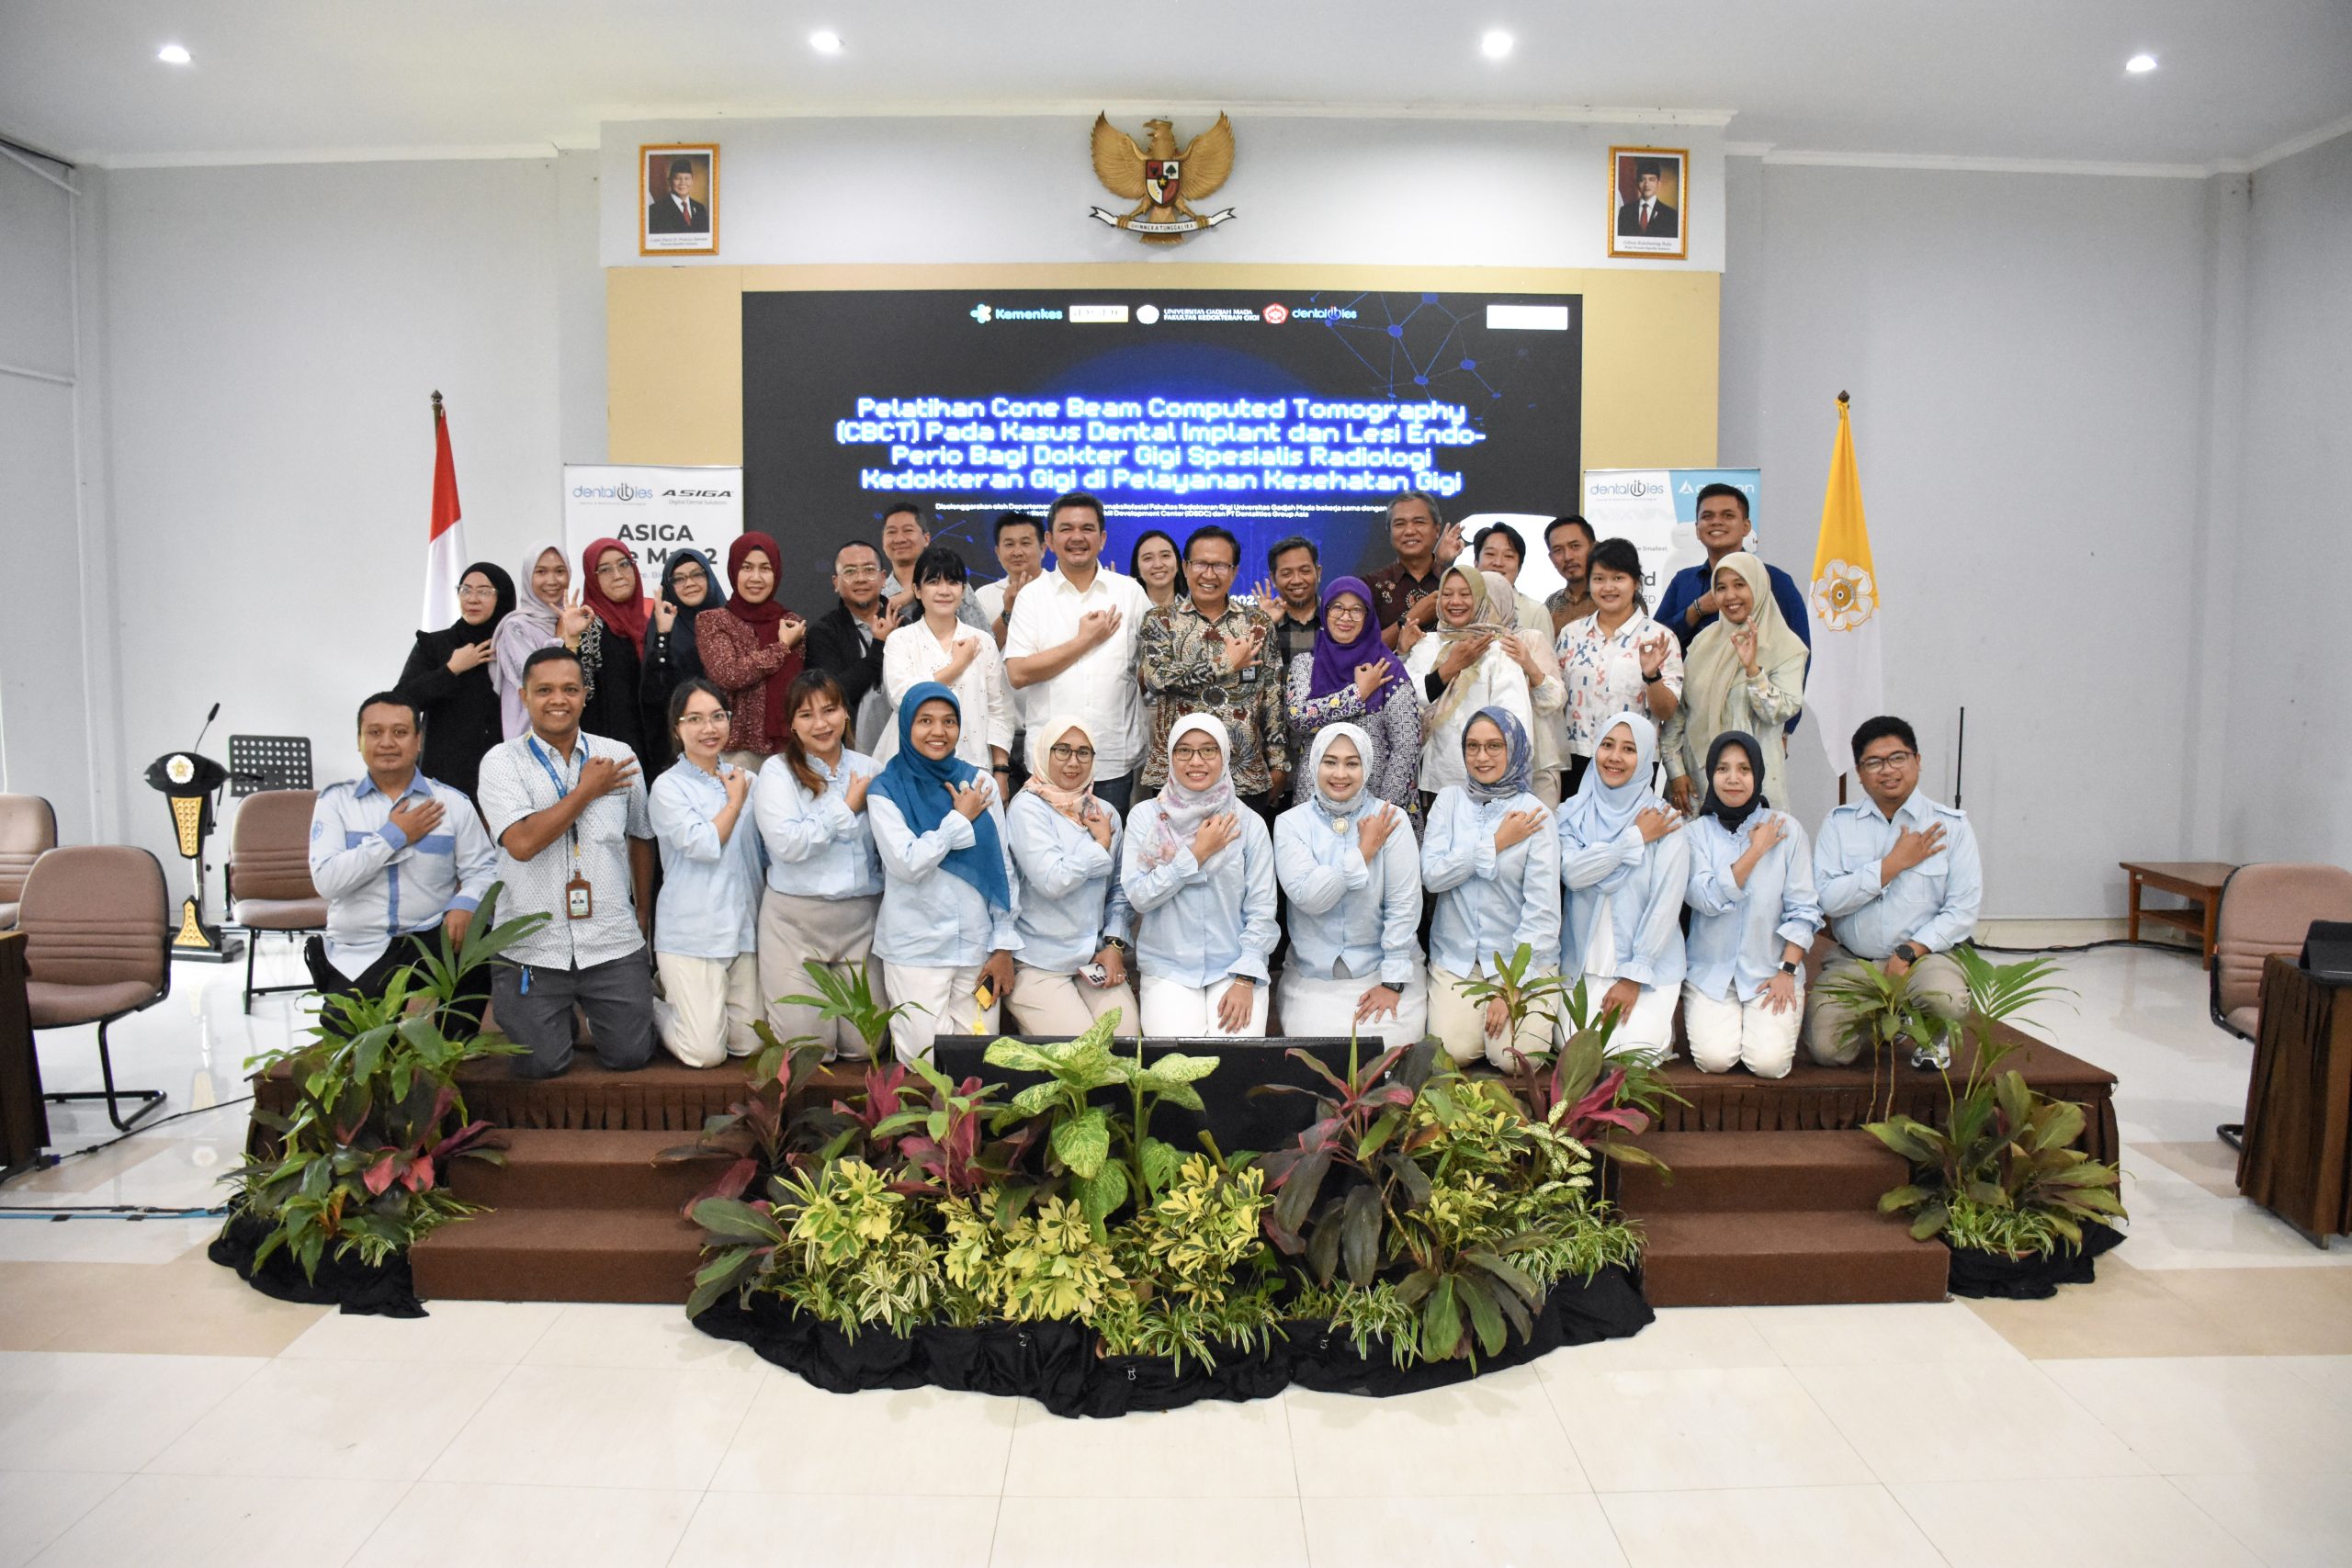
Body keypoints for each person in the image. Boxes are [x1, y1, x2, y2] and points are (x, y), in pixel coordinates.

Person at [474, 647, 657, 1080]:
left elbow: (641, 834)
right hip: (530, 946)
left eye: (570, 689)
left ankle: (593, 1012)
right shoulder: (501, 761)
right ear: (524, 696)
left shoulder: (618, 755)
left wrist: (642, 911)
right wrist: (587, 790)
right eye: (545, 690)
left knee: (630, 1055)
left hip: (611, 937)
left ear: (585, 695)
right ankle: (558, 1020)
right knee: (541, 1064)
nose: (558, 699)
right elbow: (522, 843)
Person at [306, 692, 496, 1032]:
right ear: (359, 740)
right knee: (353, 1038)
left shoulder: (451, 803)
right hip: (360, 947)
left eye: (400, 732)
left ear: (418, 740)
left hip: (431, 937)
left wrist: (465, 904)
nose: (387, 743)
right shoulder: (336, 802)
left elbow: (484, 869)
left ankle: (457, 1039)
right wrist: (394, 836)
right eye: (375, 732)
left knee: (478, 929)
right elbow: (327, 881)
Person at [1806, 716, 1983, 1068]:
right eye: (1874, 762)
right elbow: (1827, 900)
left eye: (1898, 758)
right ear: (1860, 773)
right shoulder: (1839, 824)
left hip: (1923, 960)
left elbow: (1961, 910)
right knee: (1827, 1050)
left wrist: (1907, 953)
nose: (1887, 770)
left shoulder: (1951, 826)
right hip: (1855, 962)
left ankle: (1932, 1032)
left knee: (1947, 1000)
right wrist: (1891, 866)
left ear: (1917, 760)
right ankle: (1885, 1020)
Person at [867, 682, 1020, 1061]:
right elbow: (907, 863)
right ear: (906, 725)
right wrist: (958, 820)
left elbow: (1002, 866)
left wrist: (1003, 945)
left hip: (976, 947)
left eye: (949, 721)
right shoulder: (885, 790)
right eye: (925, 721)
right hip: (916, 950)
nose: (939, 731)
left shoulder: (979, 782)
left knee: (979, 1060)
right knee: (924, 1059)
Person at [752, 671, 884, 1060]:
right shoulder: (777, 771)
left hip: (861, 923)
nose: (821, 723)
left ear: (846, 713)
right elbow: (788, 844)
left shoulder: (871, 769)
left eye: (829, 710)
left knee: (867, 1045)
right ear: (792, 723)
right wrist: (847, 808)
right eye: (807, 715)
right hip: (794, 926)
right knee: (810, 1051)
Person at [1123, 714, 1277, 1037]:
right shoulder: (1146, 818)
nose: (1196, 761)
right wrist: (1195, 855)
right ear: (1170, 756)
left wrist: (1245, 978)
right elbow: (1139, 896)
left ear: (1225, 755)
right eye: (1184, 751)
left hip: (1234, 966)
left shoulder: (1247, 823)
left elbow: (1261, 910)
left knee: (1235, 1057)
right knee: (1178, 1060)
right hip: (1169, 968)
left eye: (1209, 750)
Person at [1421, 709, 1560, 1066]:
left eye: (1494, 746)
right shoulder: (1449, 802)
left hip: (1518, 961)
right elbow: (1433, 875)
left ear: (1514, 748)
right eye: (1473, 746)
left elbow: (1542, 912)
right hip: (1458, 959)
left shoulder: (1536, 815)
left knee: (1514, 1059)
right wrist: (1495, 844)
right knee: (1453, 1052)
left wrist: (1512, 984)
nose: (1482, 757)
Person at [1274, 725, 1426, 1046]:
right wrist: (1363, 852)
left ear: (1366, 767)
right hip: (1314, 974)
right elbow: (1309, 897)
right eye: (1330, 762)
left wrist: (1393, 982)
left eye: (1352, 763)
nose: (1340, 774)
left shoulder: (1391, 820)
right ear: (1314, 763)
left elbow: (1403, 906)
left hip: (1383, 968)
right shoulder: (1292, 824)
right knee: (1320, 1054)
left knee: (1387, 1050)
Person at [1682, 732, 1822, 1078]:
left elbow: (1804, 911)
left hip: (1770, 972)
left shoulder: (1787, 830)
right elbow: (1705, 899)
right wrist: (1756, 851)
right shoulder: (1694, 834)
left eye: (1744, 769)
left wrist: (1787, 971)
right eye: (1723, 769)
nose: (1733, 778)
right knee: (1715, 1059)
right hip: (1711, 974)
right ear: (1710, 774)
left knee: (1769, 1064)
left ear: (1758, 774)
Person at [1555, 711, 1690, 1065]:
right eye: (1608, 745)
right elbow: (1573, 873)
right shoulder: (1571, 813)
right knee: (1575, 1053)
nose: (1615, 757)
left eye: (1629, 749)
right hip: (1582, 965)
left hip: (1646, 968)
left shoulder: (1665, 820)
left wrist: (1633, 977)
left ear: (1645, 758)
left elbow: (1665, 905)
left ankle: (1659, 1028)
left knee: (1627, 1055)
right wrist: (1633, 840)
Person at [1006, 493, 1153, 815]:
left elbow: (1152, 667)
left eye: (1087, 528)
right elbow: (1017, 673)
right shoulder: (1032, 597)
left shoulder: (1129, 592)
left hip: (1111, 758)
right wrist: (1084, 641)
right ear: (1049, 540)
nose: (1077, 537)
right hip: (1050, 762)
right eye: (1066, 528)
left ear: (1102, 538)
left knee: (1109, 845)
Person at [647, 680, 763, 1069]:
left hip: (743, 928)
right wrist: (734, 802)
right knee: (704, 1052)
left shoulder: (749, 780)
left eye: (717, 717)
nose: (708, 728)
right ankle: (647, 1004)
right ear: (676, 729)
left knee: (750, 1043)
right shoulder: (668, 787)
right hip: (692, 934)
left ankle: (695, 1007)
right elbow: (704, 844)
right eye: (694, 719)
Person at [1137, 525, 1291, 815]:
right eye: (1200, 564)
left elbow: (1272, 695)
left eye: (1220, 565)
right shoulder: (1160, 620)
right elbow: (1156, 679)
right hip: (1176, 775)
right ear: (1186, 567)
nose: (1209, 574)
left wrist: (1279, 762)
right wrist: (1225, 664)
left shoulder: (1257, 623)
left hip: (1244, 774)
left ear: (1234, 572)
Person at [1004, 715, 1137, 1038]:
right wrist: (1100, 845)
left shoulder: (1105, 812)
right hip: (1038, 962)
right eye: (1062, 750)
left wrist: (1114, 945)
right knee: (1080, 1051)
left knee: (1126, 1039)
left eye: (1083, 752)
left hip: (1092, 957)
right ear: (1043, 752)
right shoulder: (1027, 808)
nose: (1073, 762)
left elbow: (1120, 890)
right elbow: (1053, 880)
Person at [1662, 551, 1809, 814]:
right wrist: (1675, 772)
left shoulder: (1786, 647)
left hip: (1755, 782)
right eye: (1721, 588)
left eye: (1740, 585)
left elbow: (1780, 711)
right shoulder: (1703, 642)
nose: (1730, 596)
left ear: (1758, 586)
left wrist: (1753, 671)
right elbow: (1680, 713)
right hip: (1697, 781)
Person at [1406, 566, 1563, 799]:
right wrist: (1447, 668)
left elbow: (1514, 720)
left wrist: (1502, 782)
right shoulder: (1426, 644)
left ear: (1481, 598)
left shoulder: (1499, 650)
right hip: (1427, 780)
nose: (1455, 601)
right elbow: (1407, 695)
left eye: (1465, 594)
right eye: (1447, 594)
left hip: (1482, 782)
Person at [1284, 576, 1422, 829]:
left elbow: (1406, 746)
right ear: (1325, 612)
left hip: (1376, 801)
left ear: (1368, 616)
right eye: (1337, 608)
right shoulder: (1305, 664)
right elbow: (1298, 718)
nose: (1345, 617)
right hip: (1315, 802)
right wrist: (1358, 694)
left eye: (1356, 610)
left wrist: (1383, 810)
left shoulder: (1386, 668)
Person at [875, 545, 1017, 788]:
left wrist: (1001, 771)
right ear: (917, 590)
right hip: (913, 769)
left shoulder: (982, 642)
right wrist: (958, 665)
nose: (944, 590)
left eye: (953, 582)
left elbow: (999, 710)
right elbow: (902, 697)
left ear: (963, 589)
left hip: (973, 767)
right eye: (933, 582)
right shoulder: (900, 639)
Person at [1555, 537, 1682, 796]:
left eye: (1618, 578)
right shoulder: (1571, 634)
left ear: (1636, 583)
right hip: (1576, 757)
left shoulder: (1660, 638)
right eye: (1599, 578)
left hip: (1632, 761)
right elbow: (1556, 698)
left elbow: (1667, 711)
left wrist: (1652, 676)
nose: (1608, 587)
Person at [394, 561, 514, 801]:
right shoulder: (434, 645)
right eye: (465, 590)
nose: (472, 599)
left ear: (502, 597)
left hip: (501, 777)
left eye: (484, 592)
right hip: (444, 778)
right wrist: (451, 669)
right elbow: (401, 702)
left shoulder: (513, 646)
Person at [1474, 524, 1573, 807]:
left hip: (1535, 752)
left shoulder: (1534, 615)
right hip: (1481, 754)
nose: (1498, 562)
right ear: (1475, 562)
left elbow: (1554, 696)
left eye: (1509, 556)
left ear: (1519, 566)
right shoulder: (1460, 619)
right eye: (1490, 554)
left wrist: (1528, 664)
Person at [695, 530, 808, 767]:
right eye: (746, 567)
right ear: (734, 570)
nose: (756, 577)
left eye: (765, 568)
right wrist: (781, 647)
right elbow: (728, 674)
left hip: (791, 749)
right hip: (735, 752)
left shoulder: (791, 623)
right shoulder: (713, 620)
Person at [1655, 484, 1811, 656]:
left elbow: (1799, 654)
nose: (1716, 522)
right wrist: (1697, 609)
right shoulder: (1683, 581)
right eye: (1707, 516)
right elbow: (1654, 643)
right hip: (1688, 674)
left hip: (1755, 674)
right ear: (1697, 530)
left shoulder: (1774, 580)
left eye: (1728, 515)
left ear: (1746, 527)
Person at [576, 537, 678, 779]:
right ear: (592, 578)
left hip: (652, 750)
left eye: (624, 564)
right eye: (605, 569)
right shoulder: (589, 625)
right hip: (609, 760)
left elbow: (658, 691)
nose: (618, 575)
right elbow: (582, 693)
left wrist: (662, 636)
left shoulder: (648, 625)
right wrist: (570, 641)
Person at [801, 539, 896, 753]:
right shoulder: (824, 632)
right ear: (836, 582)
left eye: (869, 570)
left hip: (903, 751)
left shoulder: (905, 626)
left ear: (883, 578)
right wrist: (879, 646)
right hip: (848, 754)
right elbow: (831, 695)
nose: (861, 578)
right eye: (850, 571)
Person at [492, 540, 593, 739]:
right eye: (541, 572)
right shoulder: (516, 627)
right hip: (528, 739)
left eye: (559, 571)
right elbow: (538, 678)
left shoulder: (580, 621)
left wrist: (572, 634)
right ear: (528, 576)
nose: (552, 580)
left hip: (570, 736)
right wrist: (562, 638)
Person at [1370, 491, 1464, 649]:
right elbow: (1362, 652)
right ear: (1389, 532)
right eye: (1399, 524)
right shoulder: (1370, 587)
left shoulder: (1459, 583)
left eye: (1419, 522)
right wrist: (1414, 616)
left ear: (1437, 530)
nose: (1409, 531)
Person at [878, 499, 988, 633]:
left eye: (908, 530)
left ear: (926, 539)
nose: (899, 539)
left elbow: (983, 637)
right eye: (891, 532)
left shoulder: (954, 584)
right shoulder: (878, 593)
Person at [973, 511, 1046, 649]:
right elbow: (979, 652)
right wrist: (1008, 611)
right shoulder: (983, 595)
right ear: (998, 553)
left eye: (1025, 543)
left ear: (1043, 549)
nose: (1017, 552)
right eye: (1009, 544)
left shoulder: (1058, 587)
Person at [659, 547, 727, 682]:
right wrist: (662, 636)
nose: (689, 584)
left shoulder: (733, 619)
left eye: (697, 575)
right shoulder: (661, 629)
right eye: (679, 579)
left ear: (709, 577)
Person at [1256, 535, 1323, 666]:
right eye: (1287, 574)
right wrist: (1263, 625)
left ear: (1318, 572)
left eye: (1305, 571)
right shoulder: (1260, 623)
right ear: (1273, 579)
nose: (1297, 580)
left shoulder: (1337, 619)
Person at [1544, 515, 1597, 637]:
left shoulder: (1613, 596)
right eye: (1558, 550)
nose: (1568, 557)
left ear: (1594, 548)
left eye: (1575, 546)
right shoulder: (1552, 603)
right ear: (1551, 559)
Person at [647, 157, 708, 233]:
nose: (682, 183)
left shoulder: (700, 209)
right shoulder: (656, 210)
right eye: (678, 178)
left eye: (687, 178)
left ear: (692, 181)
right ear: (669, 181)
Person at [1617, 159, 1677, 238]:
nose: (1647, 184)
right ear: (1637, 183)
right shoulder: (1625, 212)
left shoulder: (1671, 215)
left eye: (1652, 179)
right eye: (1642, 179)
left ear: (1659, 184)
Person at [1128, 529, 1182, 612]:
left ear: (1178, 563)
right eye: (1148, 558)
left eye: (1165, 555)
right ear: (1137, 568)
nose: (1158, 565)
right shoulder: (1127, 609)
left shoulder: (1197, 606)